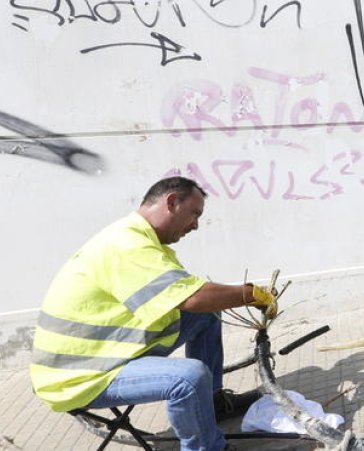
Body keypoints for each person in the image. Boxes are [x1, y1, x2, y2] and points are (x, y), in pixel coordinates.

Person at [30, 177, 277, 451]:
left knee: (207, 316)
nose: (195, 225)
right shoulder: (126, 245)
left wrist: (243, 295)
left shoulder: (136, 238)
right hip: (80, 377)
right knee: (189, 378)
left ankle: (211, 404)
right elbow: (192, 298)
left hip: (104, 354)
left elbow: (189, 297)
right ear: (172, 202)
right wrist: (251, 294)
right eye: (194, 214)